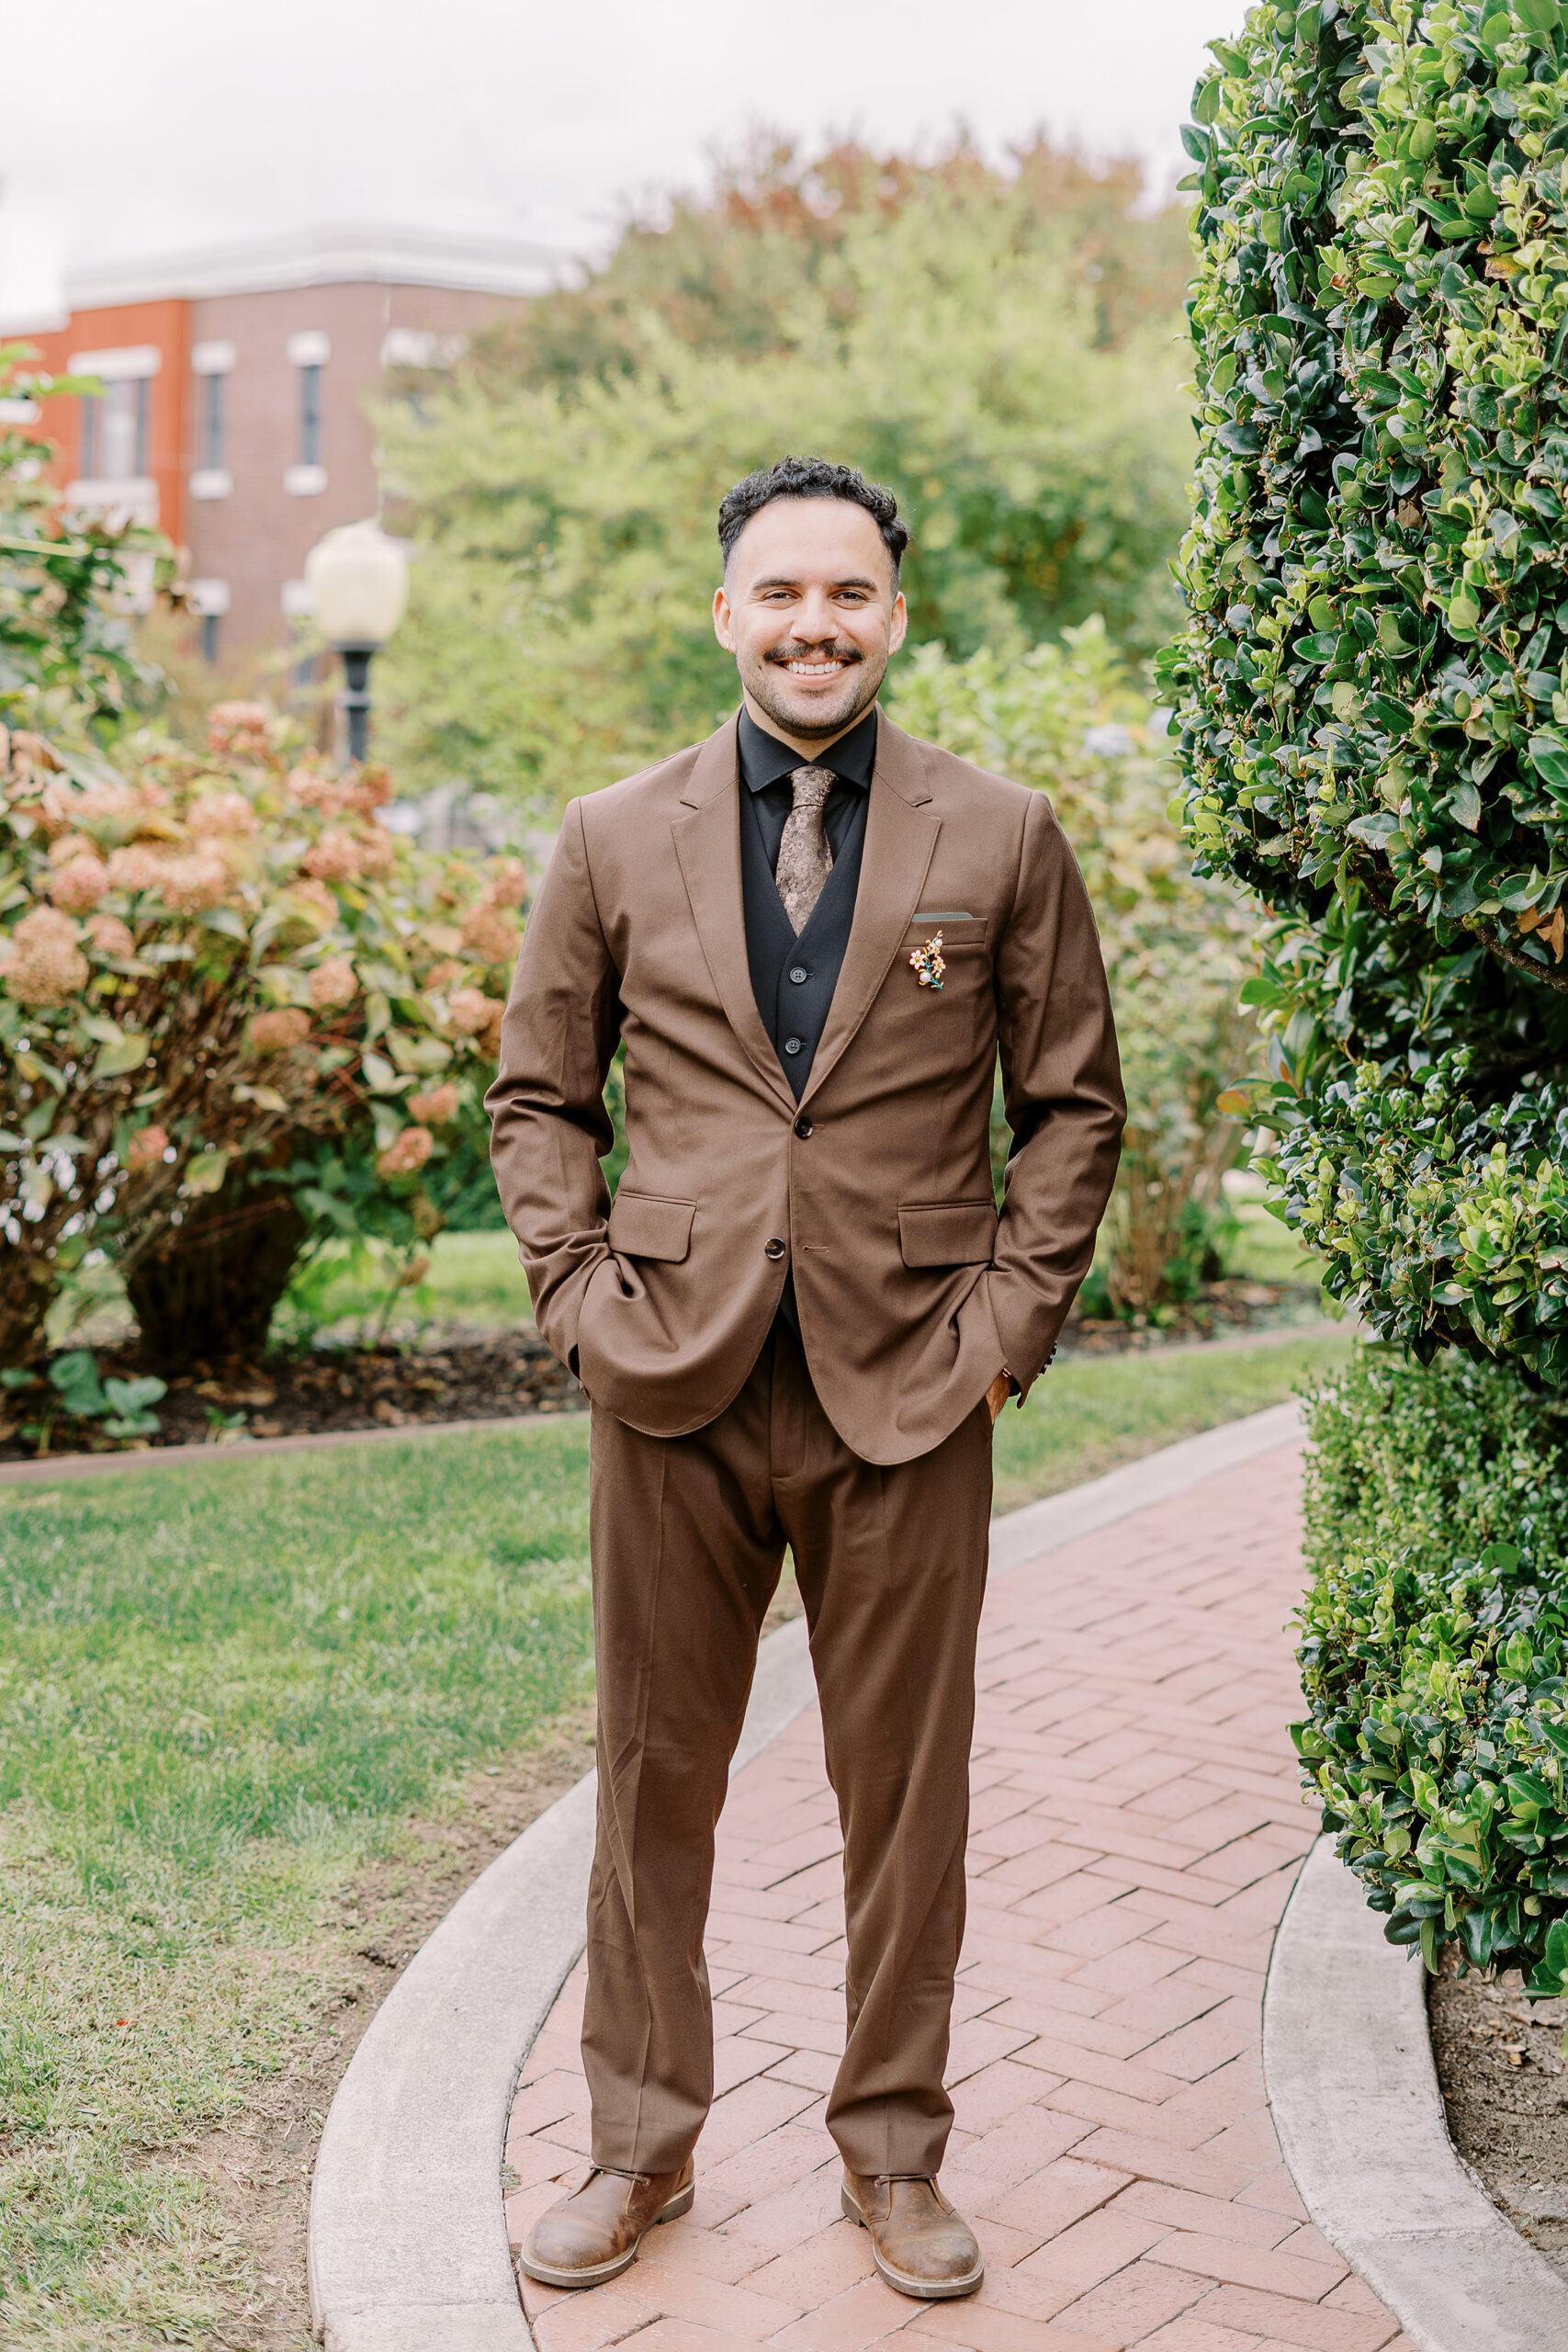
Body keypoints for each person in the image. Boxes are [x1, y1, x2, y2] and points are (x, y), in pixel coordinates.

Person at [487, 454, 1124, 2302]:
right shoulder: (612, 835)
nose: (811, 624)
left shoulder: (998, 836)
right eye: (777, 594)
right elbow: (539, 1093)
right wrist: (580, 1296)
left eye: (843, 595)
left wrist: (1000, 1333)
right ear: (724, 614)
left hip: (909, 1388)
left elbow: (1070, 1104)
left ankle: (893, 2150)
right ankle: (633, 2145)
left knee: (902, 1793)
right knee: (647, 1780)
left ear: (893, 615)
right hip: (665, 1381)